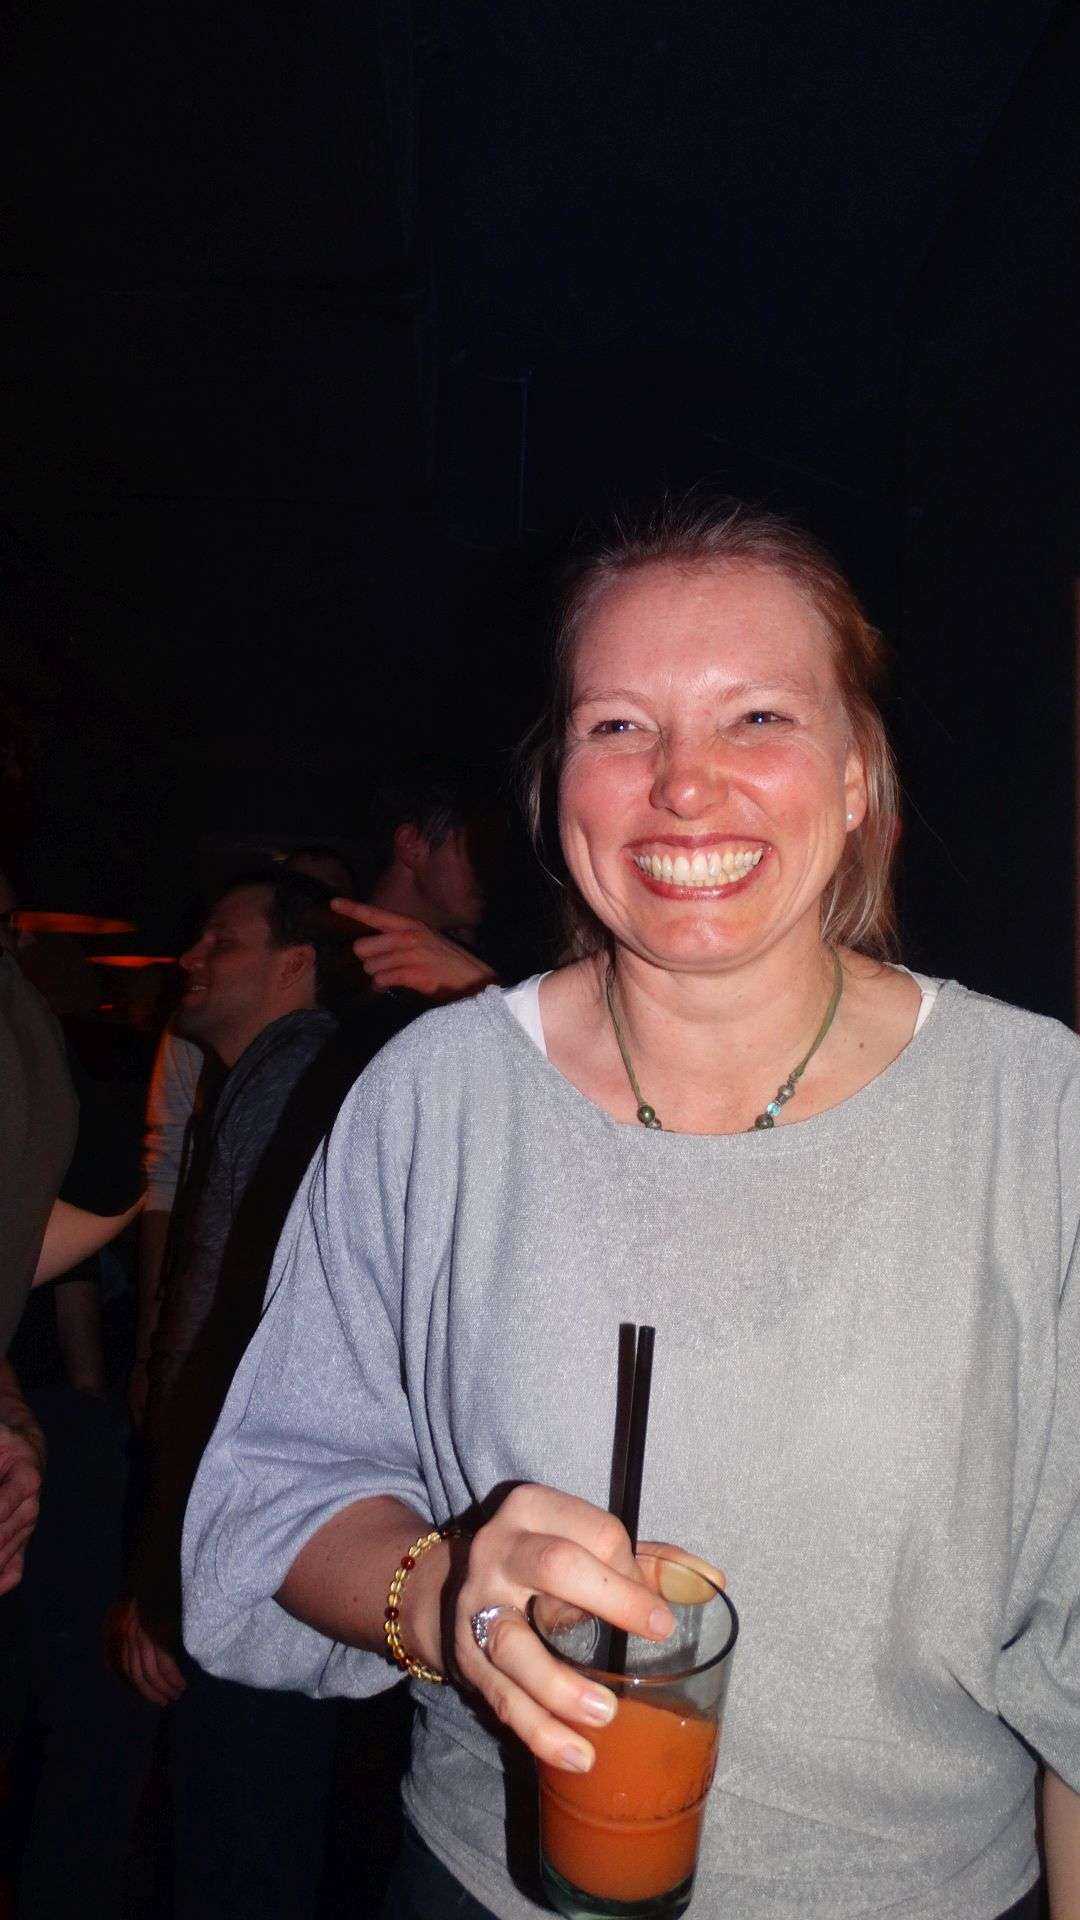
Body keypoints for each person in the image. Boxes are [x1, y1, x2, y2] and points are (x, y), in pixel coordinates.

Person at [182, 500, 1079, 1920]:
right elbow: (271, 1502)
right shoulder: (438, 1099)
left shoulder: (1041, 1118)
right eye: (620, 726)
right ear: (556, 790)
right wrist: (450, 1595)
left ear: (857, 777)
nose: (684, 785)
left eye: (758, 718)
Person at [112, 869, 358, 1920]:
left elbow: (228, 1334)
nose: (190, 957)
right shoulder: (280, 1075)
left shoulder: (288, 1077)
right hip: (284, 1538)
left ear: (293, 965)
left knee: (235, 1839)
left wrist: (168, 1572)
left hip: (253, 1547)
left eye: (221, 939)